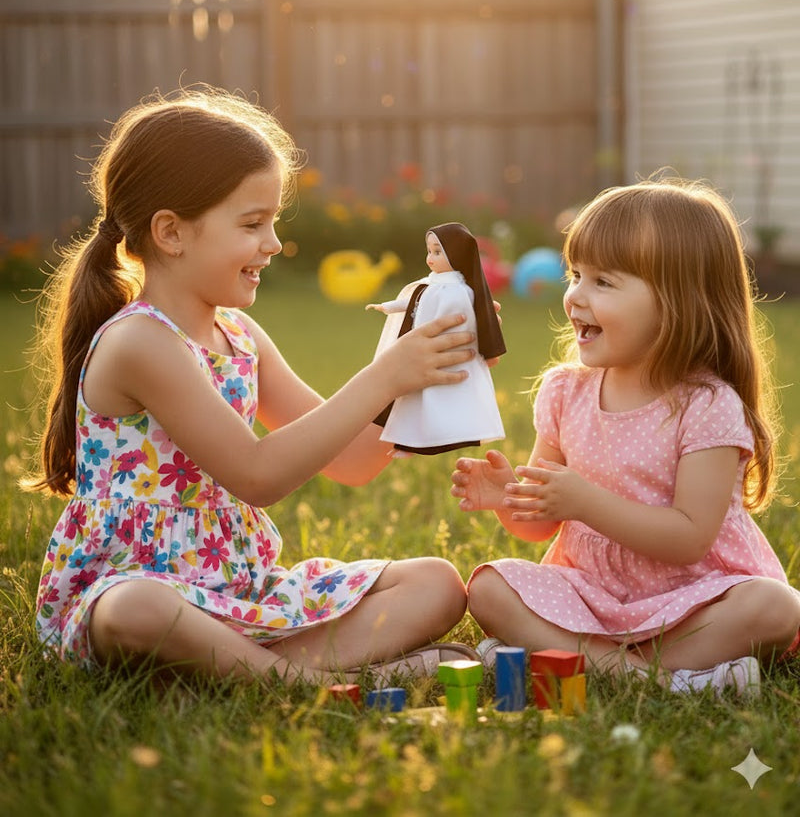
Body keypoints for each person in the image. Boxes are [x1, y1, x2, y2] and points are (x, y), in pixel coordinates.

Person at [31, 86, 479, 686]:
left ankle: (251, 670)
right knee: (136, 611)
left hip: (238, 589)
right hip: (135, 592)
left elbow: (354, 461)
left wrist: (433, 369)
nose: (273, 243)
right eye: (252, 223)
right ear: (171, 232)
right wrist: (384, 375)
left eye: (273, 222)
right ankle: (307, 682)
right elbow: (257, 474)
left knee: (437, 584)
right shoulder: (141, 342)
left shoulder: (239, 335)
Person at [451, 177, 800, 697]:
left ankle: (586, 661)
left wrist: (584, 502)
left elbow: (688, 538)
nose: (574, 297)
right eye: (575, 275)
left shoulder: (707, 406)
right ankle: (660, 679)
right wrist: (511, 501)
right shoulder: (567, 391)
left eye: (603, 283)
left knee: (777, 607)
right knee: (487, 588)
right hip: (592, 592)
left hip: (693, 597)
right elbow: (541, 527)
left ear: (681, 301)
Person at [366, 222, 506, 455]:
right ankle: (405, 443)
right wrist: (387, 307)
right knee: (413, 403)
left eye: (437, 252)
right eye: (429, 251)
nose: (430, 258)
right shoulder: (433, 284)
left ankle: (429, 442)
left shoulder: (459, 292)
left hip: (446, 357)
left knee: (439, 404)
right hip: (424, 354)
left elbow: (455, 320)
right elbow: (414, 303)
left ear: (456, 254)